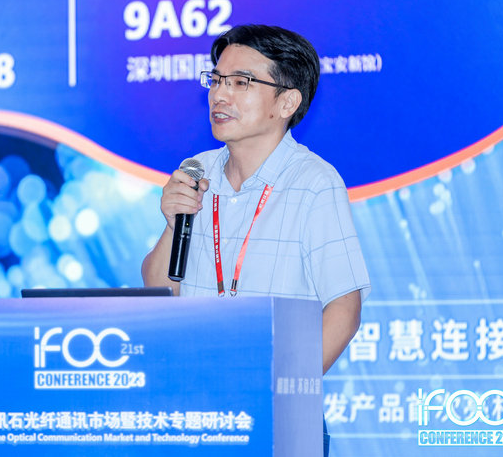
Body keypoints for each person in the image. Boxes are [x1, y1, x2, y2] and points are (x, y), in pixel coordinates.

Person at [141, 24, 372, 456]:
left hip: (275, 416)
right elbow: (158, 290)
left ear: (287, 102)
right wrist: (173, 224)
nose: (219, 95)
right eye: (216, 80)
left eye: (241, 82)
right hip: (194, 410)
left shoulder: (314, 183)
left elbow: (344, 309)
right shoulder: (196, 173)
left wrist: (281, 392)